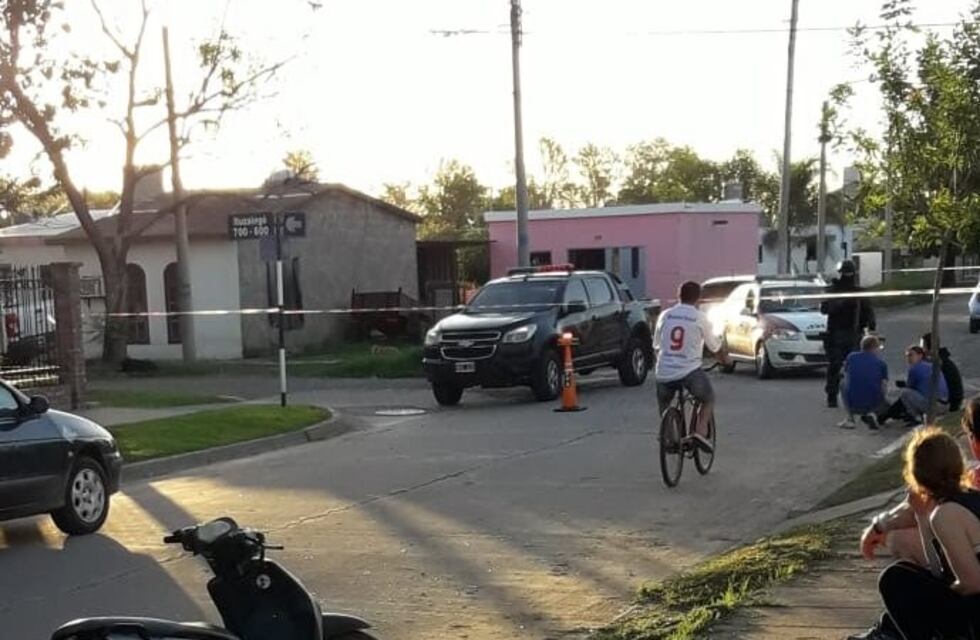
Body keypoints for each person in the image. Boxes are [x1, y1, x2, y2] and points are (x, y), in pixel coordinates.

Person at [851, 396, 980, 640]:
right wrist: (919, 518)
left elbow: (971, 583)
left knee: (895, 578)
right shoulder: (970, 494)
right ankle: (892, 628)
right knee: (906, 572)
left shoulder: (946, 513)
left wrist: (946, 590)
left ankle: (893, 631)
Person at [654, 281, 729, 454]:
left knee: (664, 402)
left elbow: (657, 345)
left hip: (664, 371)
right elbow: (715, 347)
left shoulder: (665, 315)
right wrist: (725, 360)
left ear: (678, 295)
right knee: (708, 398)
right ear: (699, 298)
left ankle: (669, 438)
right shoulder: (700, 317)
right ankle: (700, 432)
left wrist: (666, 361)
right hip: (689, 372)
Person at [822, 260, 876, 409]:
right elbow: (825, 309)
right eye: (845, 273)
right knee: (835, 365)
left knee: (856, 366)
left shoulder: (859, 292)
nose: (848, 276)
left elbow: (869, 311)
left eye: (850, 273)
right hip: (836, 334)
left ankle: (856, 395)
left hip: (855, 334)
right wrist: (842, 302)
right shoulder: (833, 291)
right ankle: (832, 395)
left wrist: (871, 324)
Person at [878, 345, 949, 426]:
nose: (909, 358)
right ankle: (888, 415)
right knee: (909, 395)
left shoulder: (914, 368)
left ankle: (917, 418)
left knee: (904, 393)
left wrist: (903, 385)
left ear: (920, 355)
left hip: (934, 406)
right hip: (945, 404)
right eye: (907, 356)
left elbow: (909, 388)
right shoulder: (931, 365)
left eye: (911, 355)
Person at [838, 334, 888, 430]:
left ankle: (850, 419)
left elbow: (844, 373)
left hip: (853, 401)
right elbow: (884, 385)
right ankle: (873, 413)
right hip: (873, 402)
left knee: (842, 384)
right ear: (874, 348)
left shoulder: (851, 357)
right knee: (883, 392)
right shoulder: (881, 364)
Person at [921, 331, 964, 412]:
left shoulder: (939, 362)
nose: (921, 349)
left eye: (923, 346)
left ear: (930, 347)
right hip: (954, 399)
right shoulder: (940, 358)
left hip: (951, 401)